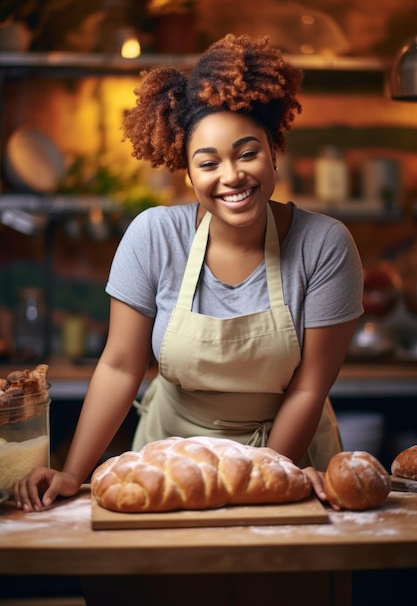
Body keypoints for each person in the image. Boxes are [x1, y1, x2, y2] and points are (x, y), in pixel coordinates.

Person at [15, 33, 363, 513]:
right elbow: (120, 365)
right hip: (169, 458)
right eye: (209, 162)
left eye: (247, 153)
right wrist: (73, 472)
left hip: (288, 458)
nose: (232, 176)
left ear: (273, 150)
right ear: (189, 174)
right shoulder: (155, 236)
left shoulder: (324, 245)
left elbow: (308, 387)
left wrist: (262, 479)